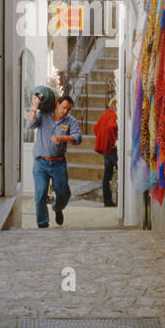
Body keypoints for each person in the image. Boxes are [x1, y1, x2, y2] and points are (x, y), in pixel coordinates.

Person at [28, 91, 82, 228]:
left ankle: (57, 208)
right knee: (40, 194)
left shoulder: (70, 121)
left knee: (64, 194)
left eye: (68, 109)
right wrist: (34, 107)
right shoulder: (44, 115)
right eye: (64, 107)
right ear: (57, 104)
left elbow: (77, 138)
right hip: (41, 162)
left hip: (58, 163)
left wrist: (62, 138)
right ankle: (42, 224)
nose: (65, 111)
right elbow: (31, 124)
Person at [94, 96, 119, 207]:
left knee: (107, 175)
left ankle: (107, 201)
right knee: (119, 170)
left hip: (105, 148)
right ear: (114, 105)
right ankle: (115, 201)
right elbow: (110, 127)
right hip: (111, 148)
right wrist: (113, 140)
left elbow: (96, 128)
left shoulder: (105, 114)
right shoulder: (114, 115)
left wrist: (101, 139)